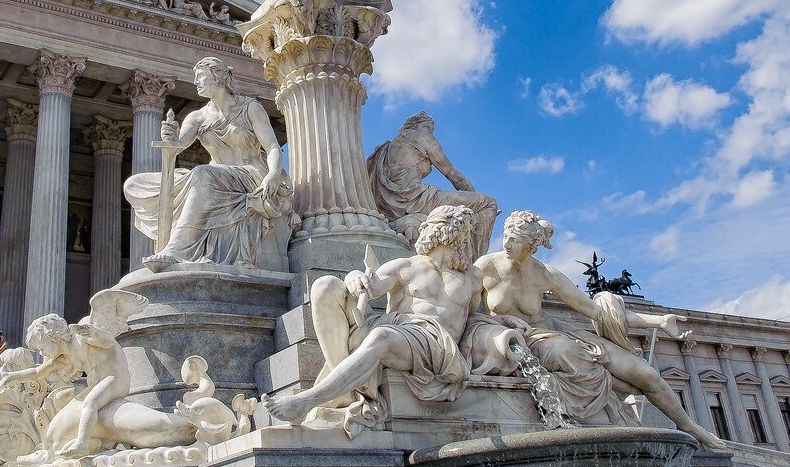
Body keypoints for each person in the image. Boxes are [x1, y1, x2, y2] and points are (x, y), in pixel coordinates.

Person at [470, 210, 725, 447]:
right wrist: (502, 322)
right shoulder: (486, 267)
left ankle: (689, 426)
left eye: (514, 240)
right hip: (527, 343)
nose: (505, 244)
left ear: (532, 245)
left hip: (558, 334)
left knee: (646, 375)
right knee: (569, 353)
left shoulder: (546, 274)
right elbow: (469, 314)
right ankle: (615, 399)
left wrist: (657, 321)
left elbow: (595, 311)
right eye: (505, 237)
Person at [269, 205, 479, 424]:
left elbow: (474, 319)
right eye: (460, 232)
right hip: (402, 329)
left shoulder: (472, 276)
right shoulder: (407, 265)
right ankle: (342, 389)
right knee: (325, 285)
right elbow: (370, 287)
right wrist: (354, 277)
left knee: (381, 336)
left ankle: (307, 401)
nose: (464, 239)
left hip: (435, 344)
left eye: (464, 234)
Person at [123, 56, 290, 271]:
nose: (195, 82)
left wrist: (274, 173)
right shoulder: (198, 117)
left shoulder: (250, 108)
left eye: (200, 77)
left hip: (250, 174)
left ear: (217, 78)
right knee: (135, 184)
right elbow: (178, 145)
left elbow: (273, 147)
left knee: (203, 174)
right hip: (216, 176)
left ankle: (176, 249)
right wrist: (170, 136)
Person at [368, 112, 496, 253]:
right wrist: (473, 201)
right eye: (429, 128)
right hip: (416, 199)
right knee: (488, 203)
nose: (431, 133)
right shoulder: (422, 136)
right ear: (421, 126)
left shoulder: (385, 148)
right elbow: (453, 175)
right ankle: (476, 263)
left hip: (389, 209)